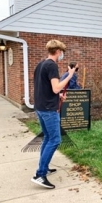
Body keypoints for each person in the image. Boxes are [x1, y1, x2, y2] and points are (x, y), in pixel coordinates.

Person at [31, 39, 78, 189]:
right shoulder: (52, 66)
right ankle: (40, 174)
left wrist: (57, 96)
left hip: (40, 107)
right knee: (55, 140)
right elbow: (56, 87)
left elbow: (44, 87)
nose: (62, 54)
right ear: (58, 51)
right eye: (62, 52)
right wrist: (70, 75)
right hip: (49, 110)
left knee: (47, 137)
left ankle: (44, 168)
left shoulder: (41, 64)